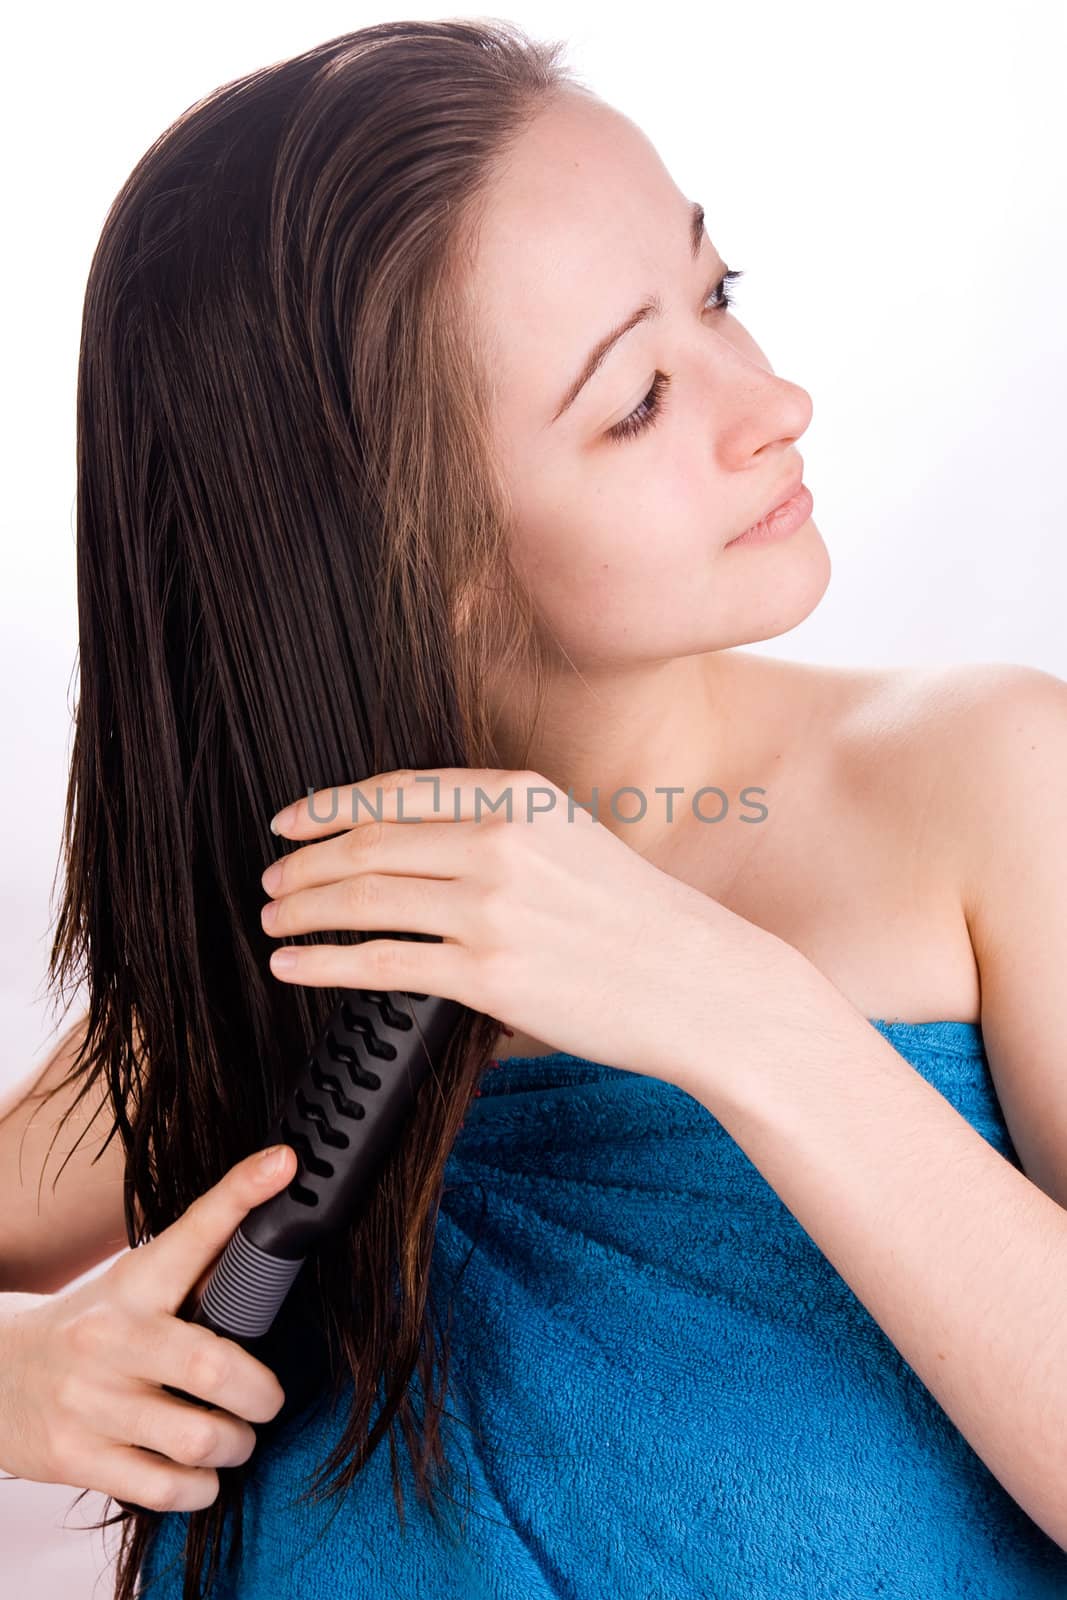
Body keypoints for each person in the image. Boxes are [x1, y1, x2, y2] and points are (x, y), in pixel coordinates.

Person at [3, 17, 1067, 1600]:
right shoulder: (307, 943)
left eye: (721, 296)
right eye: (638, 396)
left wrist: (746, 1017)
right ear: (394, 554)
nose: (777, 399)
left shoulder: (989, 783)